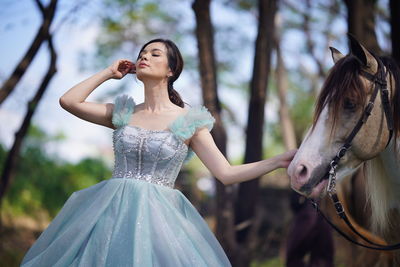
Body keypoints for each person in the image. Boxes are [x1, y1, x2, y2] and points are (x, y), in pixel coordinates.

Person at [20, 38, 296, 267]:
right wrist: (108, 72)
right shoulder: (122, 112)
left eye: (154, 54)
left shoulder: (190, 122)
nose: (144, 57)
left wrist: (279, 160)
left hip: (160, 222)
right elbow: (69, 101)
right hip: (108, 212)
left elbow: (227, 173)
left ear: (171, 71)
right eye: (141, 54)